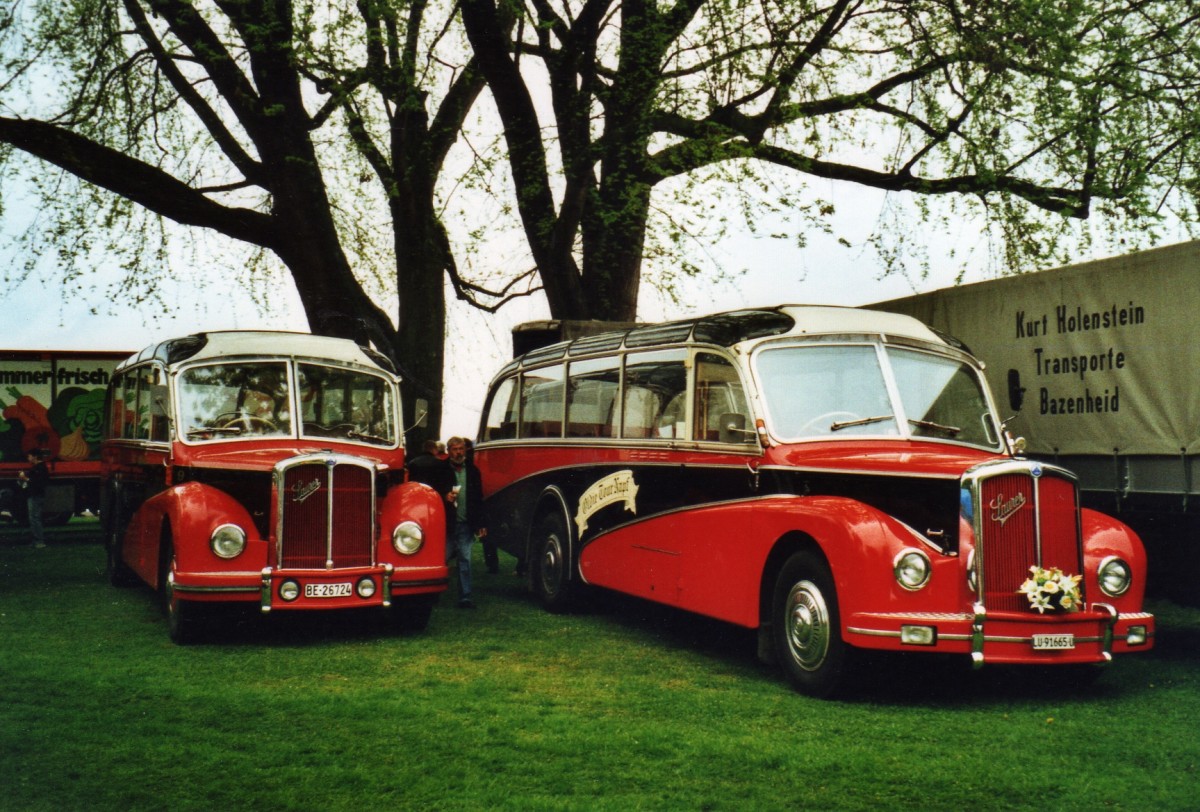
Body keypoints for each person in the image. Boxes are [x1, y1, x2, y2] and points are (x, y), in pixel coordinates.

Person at [444, 436, 487, 608]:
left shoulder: (473, 471)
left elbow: (479, 498)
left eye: (461, 449)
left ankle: (465, 597)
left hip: (465, 524)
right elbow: (432, 490)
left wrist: (481, 523)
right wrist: (444, 495)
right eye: (455, 449)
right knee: (442, 558)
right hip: (446, 524)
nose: (459, 452)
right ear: (448, 451)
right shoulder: (441, 470)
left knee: (465, 560)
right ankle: (432, 593)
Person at [18, 449, 49, 548]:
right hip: (35, 495)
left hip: (36, 495)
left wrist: (25, 478)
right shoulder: (39, 467)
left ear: (35, 456)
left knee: (35, 518)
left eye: (29, 456)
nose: (28, 458)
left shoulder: (40, 468)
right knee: (34, 518)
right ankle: (36, 541)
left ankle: (39, 541)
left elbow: (38, 483)